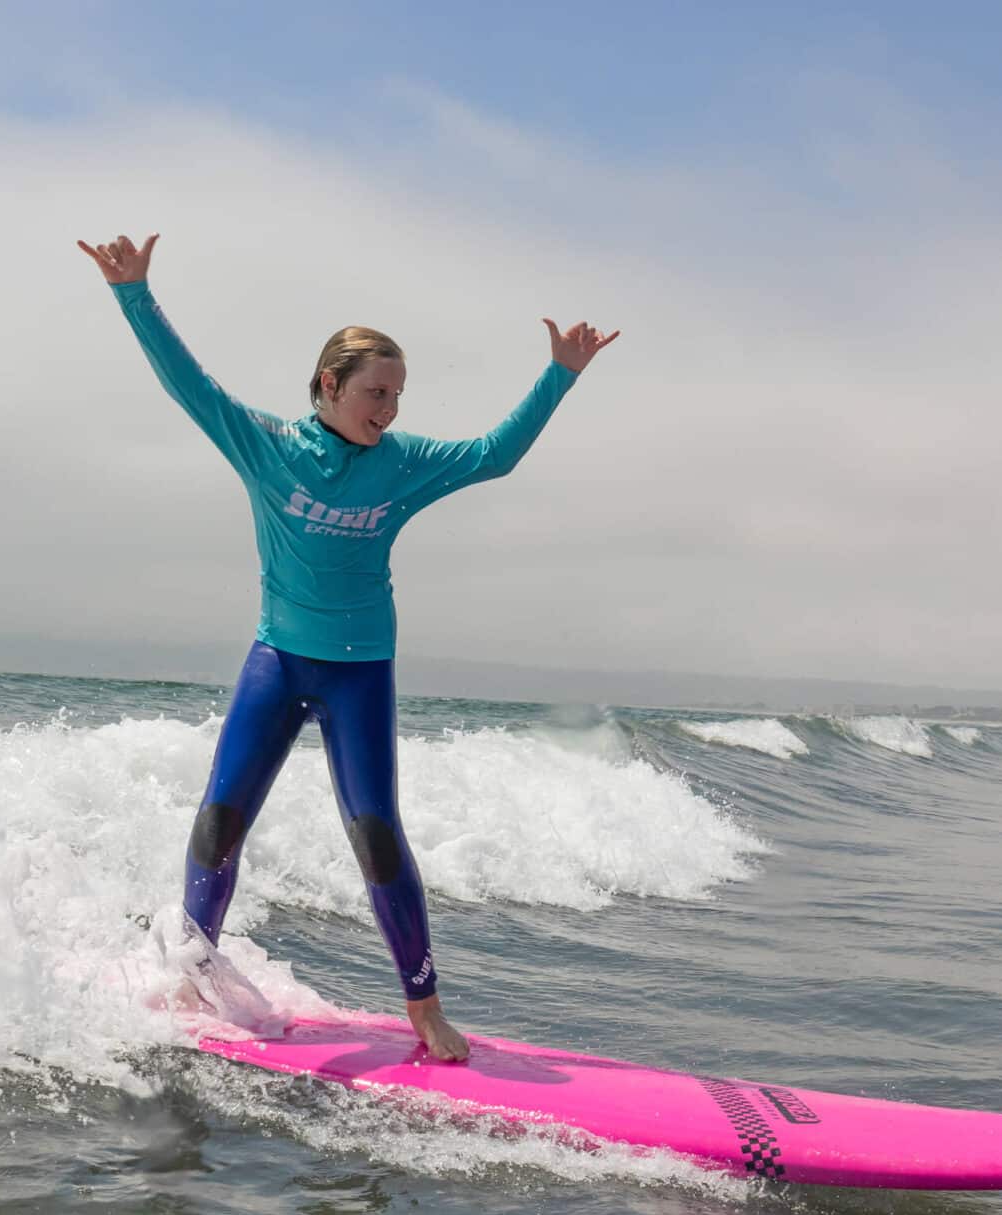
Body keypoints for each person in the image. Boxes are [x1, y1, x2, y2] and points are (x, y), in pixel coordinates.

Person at [79, 232, 617, 1061]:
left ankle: (426, 1009)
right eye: (376, 392)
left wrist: (560, 374)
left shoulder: (402, 464)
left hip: (360, 670)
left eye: (398, 394)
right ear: (329, 386)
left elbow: (496, 456)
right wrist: (134, 291)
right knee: (221, 819)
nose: (389, 409)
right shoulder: (268, 446)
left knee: (374, 831)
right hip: (278, 658)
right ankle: (191, 974)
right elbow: (189, 387)